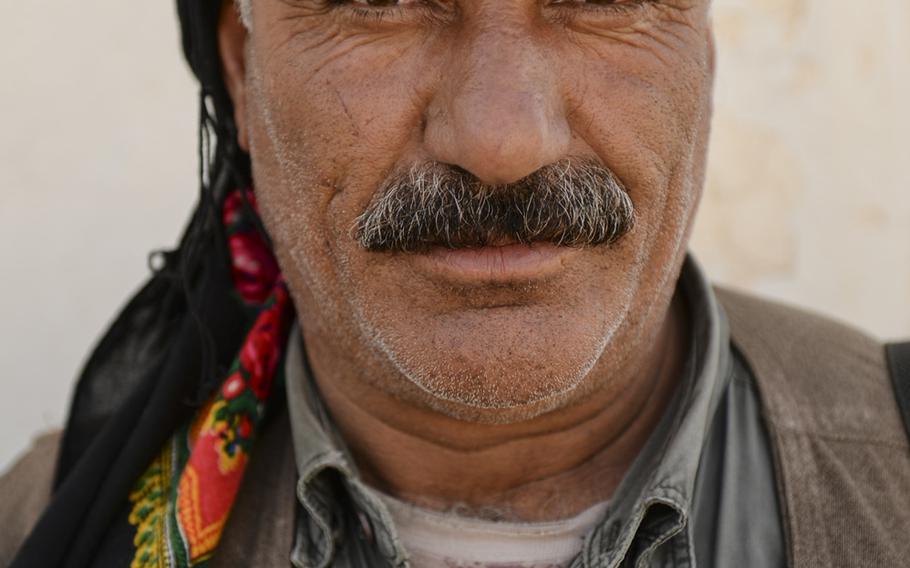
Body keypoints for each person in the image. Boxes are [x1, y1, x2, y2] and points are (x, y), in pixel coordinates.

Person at [3, 1, 909, 567]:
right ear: (241, 64)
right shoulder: (45, 527)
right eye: (382, 2)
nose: (502, 143)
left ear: (703, 51)